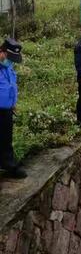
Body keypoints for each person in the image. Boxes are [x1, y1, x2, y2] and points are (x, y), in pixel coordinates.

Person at [0, 38, 27, 178]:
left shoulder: (8, 67)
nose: (11, 61)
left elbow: (10, 86)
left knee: (6, 139)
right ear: (2, 52)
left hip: (6, 110)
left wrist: (13, 103)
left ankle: (7, 164)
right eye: (9, 58)